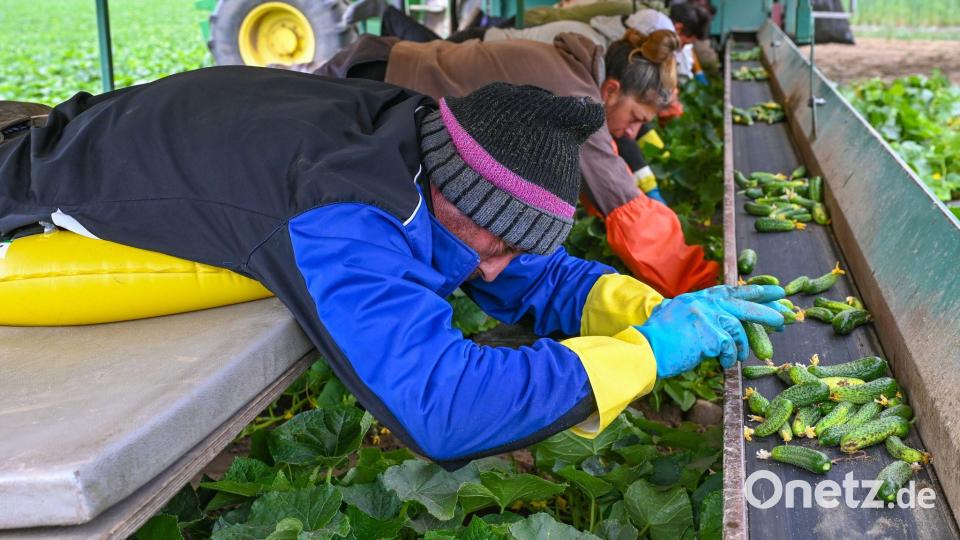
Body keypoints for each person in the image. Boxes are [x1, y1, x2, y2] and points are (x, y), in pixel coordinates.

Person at [0, 69, 786, 467]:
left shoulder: (432, 140)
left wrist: (650, 307)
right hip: (31, 209)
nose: (501, 268)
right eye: (498, 242)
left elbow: (525, 269)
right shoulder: (346, 212)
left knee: (491, 262)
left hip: (130, 127)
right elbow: (439, 409)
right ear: (458, 195)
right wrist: (645, 358)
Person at [313, 30, 720, 297]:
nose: (633, 133)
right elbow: (617, 198)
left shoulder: (574, 67)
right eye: (636, 119)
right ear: (611, 90)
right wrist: (697, 282)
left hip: (382, 72)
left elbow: (600, 176)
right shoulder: (576, 94)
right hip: (371, 90)